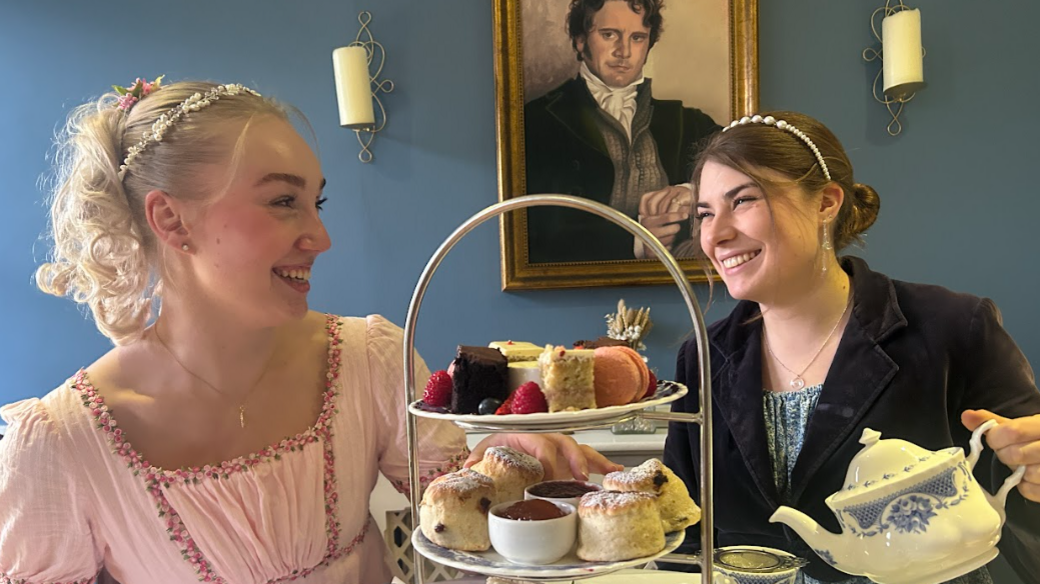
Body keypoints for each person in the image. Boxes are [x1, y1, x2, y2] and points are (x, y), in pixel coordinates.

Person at [0, 78, 619, 584]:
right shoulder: (61, 445)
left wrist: (508, 459)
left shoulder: (368, 360)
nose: (320, 238)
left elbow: (458, 509)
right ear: (171, 218)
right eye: (281, 202)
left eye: (315, 203)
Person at [664, 112, 1040, 583]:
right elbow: (681, 529)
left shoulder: (952, 327)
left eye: (742, 200)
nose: (714, 235)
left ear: (825, 202)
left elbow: (1023, 489)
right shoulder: (702, 356)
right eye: (704, 214)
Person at [523, 0, 721, 263]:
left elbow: (748, 165)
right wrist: (636, 240)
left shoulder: (687, 121)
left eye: (637, 38)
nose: (624, 51)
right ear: (581, 41)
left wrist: (694, 189)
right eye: (609, 35)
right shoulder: (539, 121)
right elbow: (536, 234)